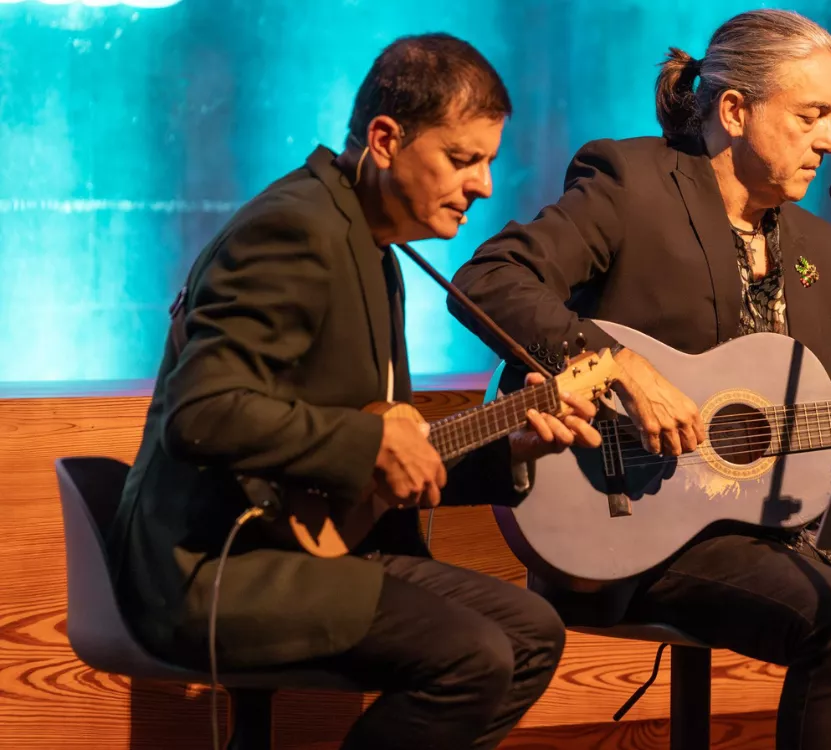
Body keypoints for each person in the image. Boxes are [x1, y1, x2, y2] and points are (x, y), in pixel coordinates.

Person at [450, 10, 831, 750]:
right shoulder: (631, 185)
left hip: (801, 537)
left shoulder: (829, 258)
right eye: (811, 116)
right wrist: (620, 367)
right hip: (638, 527)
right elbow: (487, 281)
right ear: (736, 110)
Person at [107, 33, 601, 750]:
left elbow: (381, 458)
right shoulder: (295, 228)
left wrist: (512, 445)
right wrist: (373, 440)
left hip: (306, 545)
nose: (486, 185)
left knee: (530, 633)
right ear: (385, 138)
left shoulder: (374, 246)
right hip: (213, 567)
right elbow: (202, 413)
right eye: (463, 159)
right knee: (473, 654)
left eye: (489, 161)